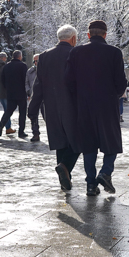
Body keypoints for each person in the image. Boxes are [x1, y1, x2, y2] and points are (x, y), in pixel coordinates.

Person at [65, 20, 127, 196]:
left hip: (84, 105)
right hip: (107, 104)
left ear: (88, 34)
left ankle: (91, 184)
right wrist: (113, 95)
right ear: (105, 34)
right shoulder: (114, 53)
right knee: (112, 142)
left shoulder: (76, 52)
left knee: (89, 146)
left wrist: (79, 96)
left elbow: (68, 80)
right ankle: (106, 172)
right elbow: (121, 82)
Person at [28, 25, 82, 192]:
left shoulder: (44, 56)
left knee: (60, 142)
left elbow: (39, 85)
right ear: (73, 38)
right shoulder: (77, 54)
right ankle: (65, 166)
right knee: (79, 141)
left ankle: (64, 179)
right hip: (74, 106)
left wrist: (33, 108)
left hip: (50, 107)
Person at [0, 50, 29, 138]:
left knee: (9, 110)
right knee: (22, 113)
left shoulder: (7, 66)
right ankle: (21, 131)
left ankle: (1, 124)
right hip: (21, 93)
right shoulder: (23, 66)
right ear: (20, 57)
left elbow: (2, 79)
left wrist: (7, 88)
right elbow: (25, 79)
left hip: (10, 93)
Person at [26, 54, 42, 141]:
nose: (36, 63)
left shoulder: (44, 70)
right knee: (33, 115)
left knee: (46, 115)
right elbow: (26, 82)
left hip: (43, 97)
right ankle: (35, 133)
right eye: (34, 61)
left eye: (37, 61)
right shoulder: (30, 71)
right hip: (33, 96)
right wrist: (28, 92)